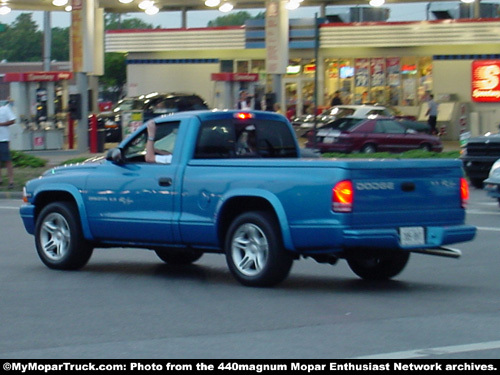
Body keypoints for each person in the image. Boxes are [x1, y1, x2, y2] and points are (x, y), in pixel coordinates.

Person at [0, 100, 17, 189]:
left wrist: (1, 124)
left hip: (3, 139)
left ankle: (11, 180)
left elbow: (12, 120)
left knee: (7, 160)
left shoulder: (5, 109)